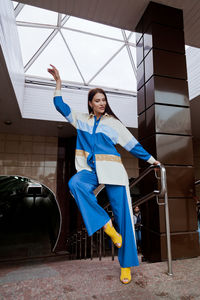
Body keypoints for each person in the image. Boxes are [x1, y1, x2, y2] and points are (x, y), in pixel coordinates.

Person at [47, 64, 160, 284]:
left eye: (104, 100)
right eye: (97, 100)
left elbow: (133, 145)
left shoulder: (114, 124)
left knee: (125, 218)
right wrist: (58, 82)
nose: (101, 103)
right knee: (75, 184)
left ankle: (126, 266)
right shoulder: (81, 120)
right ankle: (106, 226)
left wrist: (152, 160)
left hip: (114, 172)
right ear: (90, 103)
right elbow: (60, 105)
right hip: (91, 171)